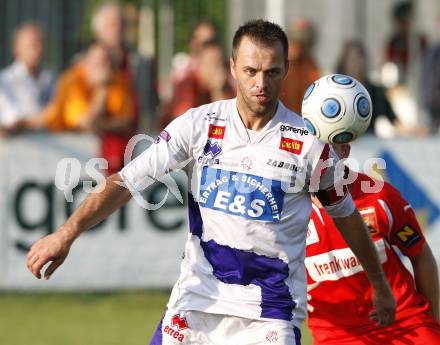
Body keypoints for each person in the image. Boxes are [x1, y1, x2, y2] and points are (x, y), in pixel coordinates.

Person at [26, 20, 395, 345]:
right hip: (196, 301)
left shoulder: (309, 145)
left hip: (269, 313)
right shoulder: (199, 124)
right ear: (233, 67)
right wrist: (66, 232)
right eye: (251, 71)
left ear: (285, 71)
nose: (260, 83)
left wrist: (378, 284)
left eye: (271, 72)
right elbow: (126, 181)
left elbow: (345, 215)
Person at [306, 143, 440, 344]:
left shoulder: (378, 195)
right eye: (313, 151)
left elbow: (419, 254)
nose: (320, 158)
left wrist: (432, 320)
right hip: (337, 336)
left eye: (328, 149)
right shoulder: (286, 212)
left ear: (344, 151)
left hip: (406, 322)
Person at [9, 43, 135, 174]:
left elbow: (126, 122)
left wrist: (101, 125)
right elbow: (85, 123)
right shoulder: (72, 80)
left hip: (87, 160)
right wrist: (102, 90)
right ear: (85, 63)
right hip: (55, 145)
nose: (101, 68)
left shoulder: (118, 80)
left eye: (105, 63)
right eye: (96, 63)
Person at [336, 40, 426, 136]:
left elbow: (395, 121)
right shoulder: (335, 92)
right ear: (344, 62)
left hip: (368, 146)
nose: (355, 63)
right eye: (351, 59)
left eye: (359, 58)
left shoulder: (375, 91)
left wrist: (415, 131)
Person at [92, 2, 158, 131]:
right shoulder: (82, 65)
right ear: (98, 30)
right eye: (112, 25)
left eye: (121, 24)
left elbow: (151, 107)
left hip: (135, 140)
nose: (117, 29)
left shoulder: (141, 64)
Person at [160, 39, 236, 128]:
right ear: (200, 65)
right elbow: (184, 126)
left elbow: (230, 126)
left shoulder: (226, 85)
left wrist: (218, 92)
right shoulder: (187, 84)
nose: (218, 69)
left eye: (220, 63)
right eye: (212, 63)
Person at [0, 22, 55, 128]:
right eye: (33, 45)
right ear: (16, 48)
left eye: (41, 43)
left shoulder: (50, 78)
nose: (39, 49)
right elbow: (13, 121)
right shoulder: (4, 81)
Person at [280, 19, 320, 114]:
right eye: (295, 42)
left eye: (302, 44)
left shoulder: (311, 65)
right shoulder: (280, 65)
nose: (298, 47)